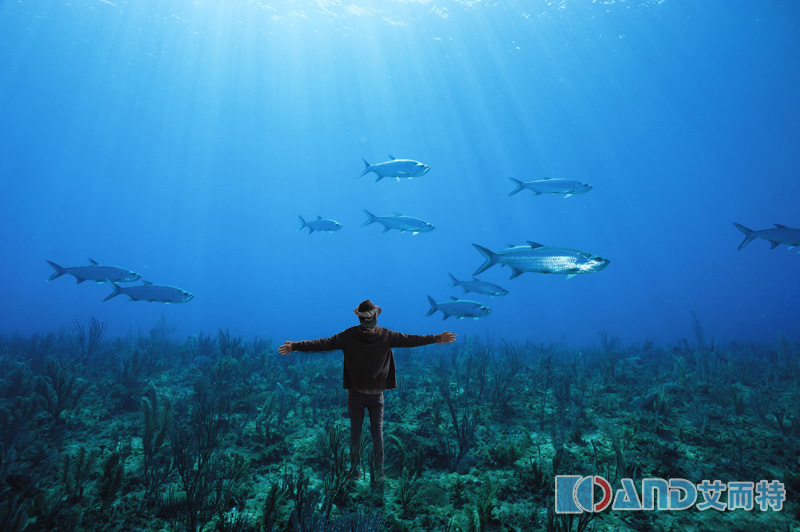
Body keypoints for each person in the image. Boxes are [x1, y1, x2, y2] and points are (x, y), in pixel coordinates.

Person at [278, 299, 456, 483]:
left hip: (355, 394)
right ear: (375, 317)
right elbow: (412, 340)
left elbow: (322, 343)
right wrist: (438, 337)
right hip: (377, 395)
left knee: (355, 433)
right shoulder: (387, 335)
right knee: (376, 433)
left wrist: (295, 346)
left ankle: (355, 471)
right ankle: (378, 473)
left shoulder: (348, 336)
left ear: (360, 319)